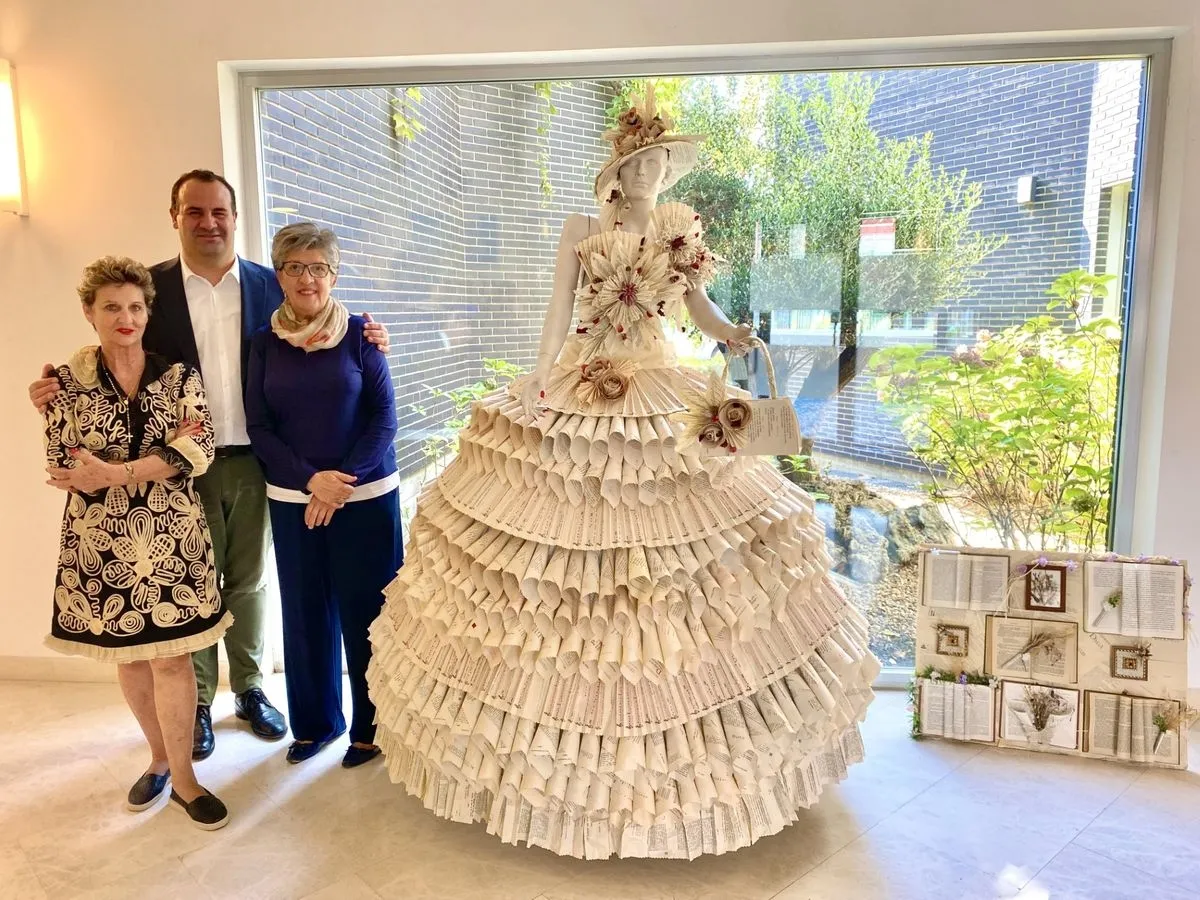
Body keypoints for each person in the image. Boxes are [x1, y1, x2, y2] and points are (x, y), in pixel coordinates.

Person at [364, 86, 880, 859]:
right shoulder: (582, 228)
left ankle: (683, 768)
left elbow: (698, 308)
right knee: (564, 546)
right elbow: (558, 306)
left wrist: (733, 333)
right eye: (638, 163)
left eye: (659, 164)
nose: (649, 174)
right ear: (616, 170)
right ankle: (559, 774)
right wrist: (541, 377)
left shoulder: (676, 233)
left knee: (682, 549)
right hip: (586, 376)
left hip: (660, 384)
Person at [28, 169, 391, 761]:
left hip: (259, 459)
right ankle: (197, 700)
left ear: (235, 218)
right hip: (176, 466)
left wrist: (371, 336)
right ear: (175, 217)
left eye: (219, 211)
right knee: (194, 585)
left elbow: (321, 323)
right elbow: (117, 340)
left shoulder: (270, 283)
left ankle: (250, 688)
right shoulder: (154, 287)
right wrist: (56, 384)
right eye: (194, 211)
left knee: (249, 580)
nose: (208, 222)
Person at [43, 256, 230, 829]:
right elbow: (64, 461)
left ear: (148, 313)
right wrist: (159, 459)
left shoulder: (179, 377)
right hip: (101, 540)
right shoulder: (64, 383)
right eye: (111, 307)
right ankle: (158, 759)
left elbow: (200, 449)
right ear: (89, 312)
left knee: (173, 658)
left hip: (174, 536)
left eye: (134, 307)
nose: (124, 317)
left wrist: (116, 471)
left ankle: (185, 780)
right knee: (130, 658)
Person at [245, 223, 402, 767]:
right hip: (296, 500)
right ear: (279, 275)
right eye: (295, 267)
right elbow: (259, 426)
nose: (307, 278)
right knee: (306, 614)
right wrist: (312, 481)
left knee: (370, 614)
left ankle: (373, 727)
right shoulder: (263, 344)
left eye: (318, 268)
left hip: (367, 496)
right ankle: (316, 724)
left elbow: (384, 418)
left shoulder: (362, 335)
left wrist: (341, 481)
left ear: (333, 275)